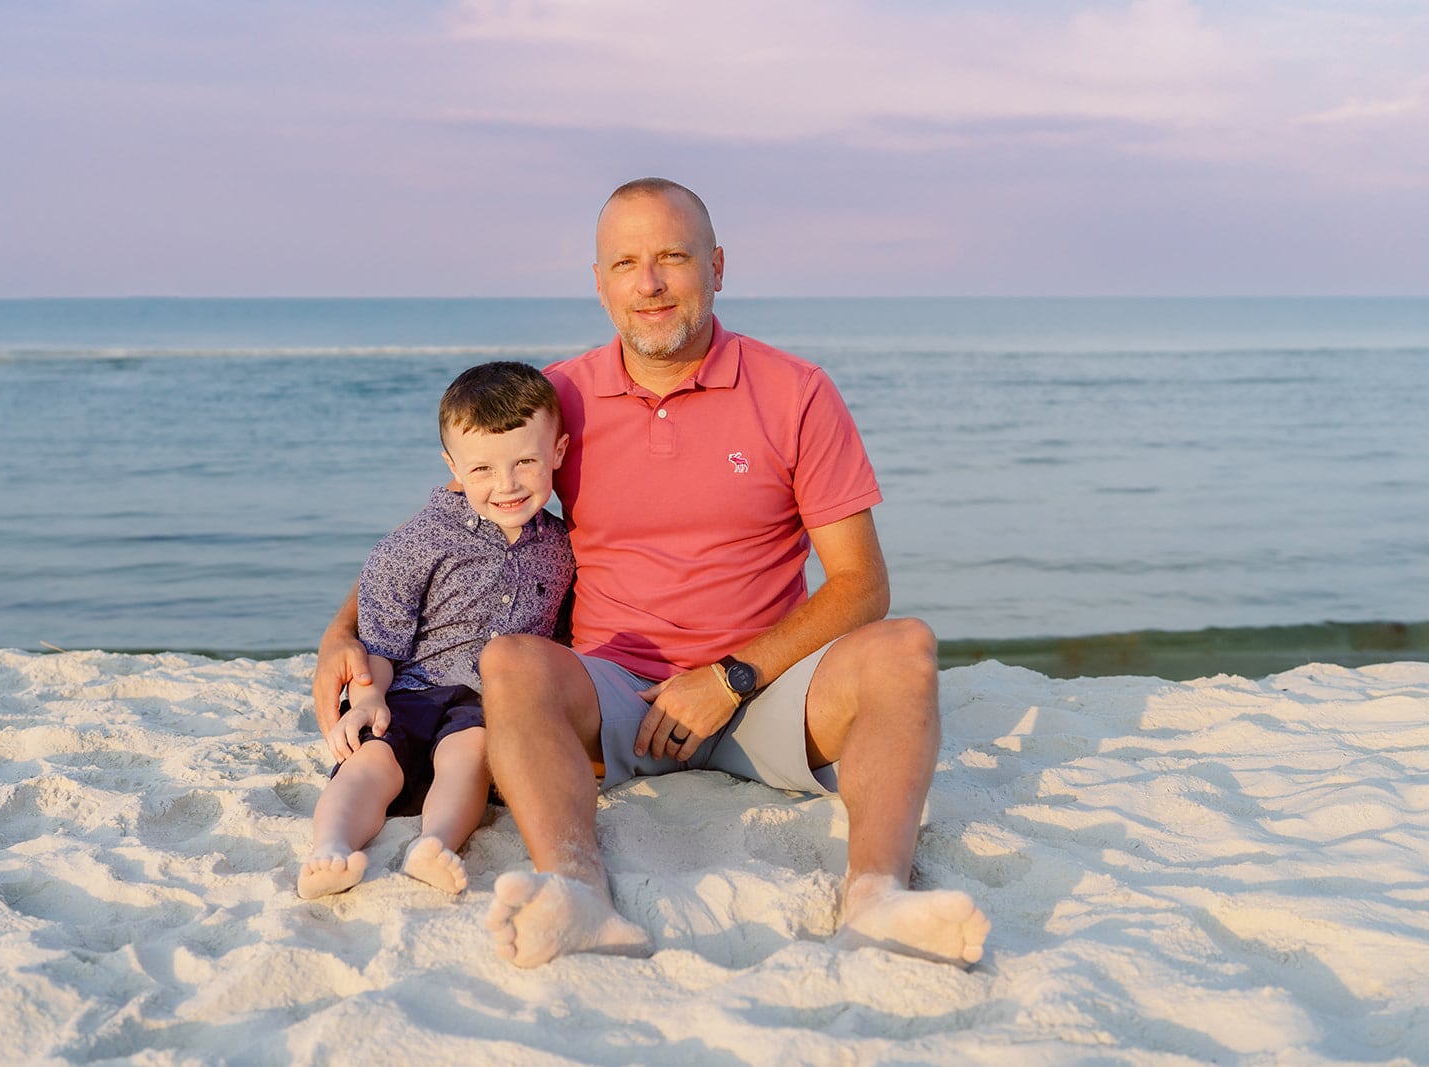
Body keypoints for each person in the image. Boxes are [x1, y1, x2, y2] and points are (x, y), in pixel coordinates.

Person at [314, 179, 989, 969]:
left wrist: (731, 677)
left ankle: (877, 895)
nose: (650, 284)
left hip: (767, 688)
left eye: (673, 256)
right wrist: (341, 632)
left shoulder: (796, 392)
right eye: (626, 263)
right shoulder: (557, 398)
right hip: (613, 697)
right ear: (599, 281)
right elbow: (448, 526)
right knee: (510, 662)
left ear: (717, 266)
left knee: (905, 646)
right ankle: (579, 896)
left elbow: (862, 584)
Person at [298, 360, 573, 901]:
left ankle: (435, 843)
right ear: (453, 466)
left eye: (525, 462)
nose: (506, 485)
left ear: (558, 452)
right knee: (370, 762)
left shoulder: (562, 548)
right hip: (410, 691)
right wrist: (368, 700)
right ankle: (330, 848)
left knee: (467, 756)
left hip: (485, 704)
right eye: (482, 469)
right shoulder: (418, 541)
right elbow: (381, 641)